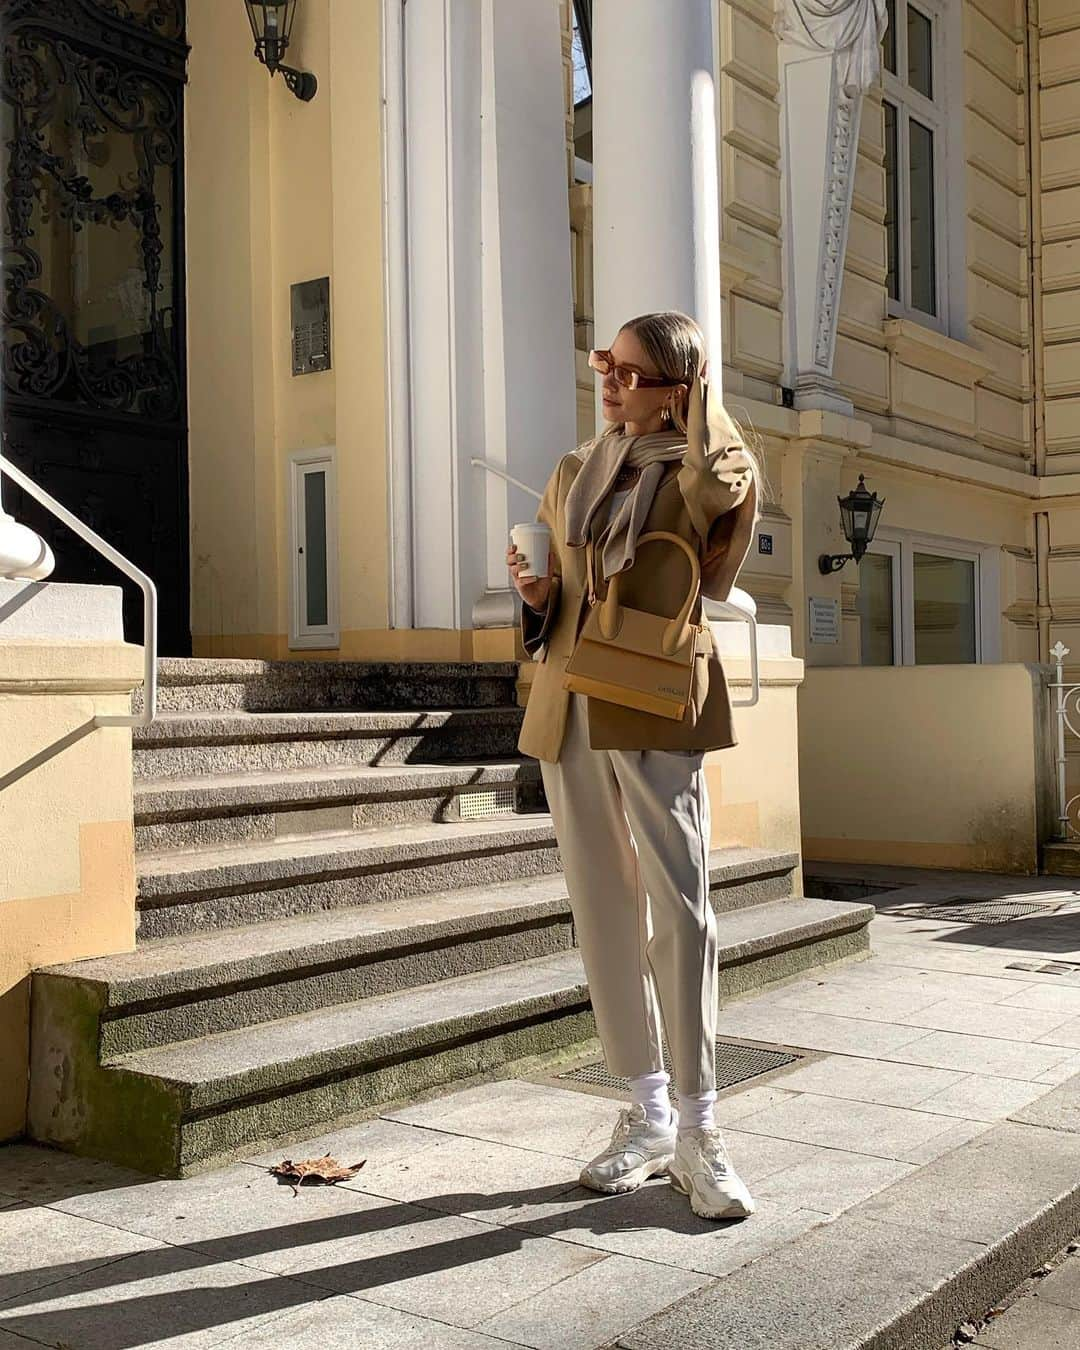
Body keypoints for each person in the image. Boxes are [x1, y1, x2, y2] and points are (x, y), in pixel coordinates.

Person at [506, 311, 763, 1221]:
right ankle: (647, 1113)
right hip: (569, 702)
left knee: (681, 913)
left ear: (678, 389)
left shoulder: (698, 470)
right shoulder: (578, 469)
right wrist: (537, 595)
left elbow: (725, 488)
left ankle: (703, 1131)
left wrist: (704, 415)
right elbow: (559, 591)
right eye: (602, 364)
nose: (608, 381)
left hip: (654, 700)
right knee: (604, 913)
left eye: (629, 369)